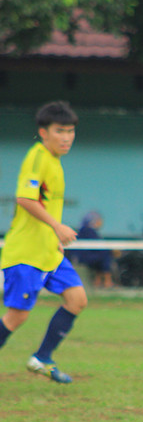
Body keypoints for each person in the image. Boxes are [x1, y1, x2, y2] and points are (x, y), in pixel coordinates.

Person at [0, 101, 86, 384]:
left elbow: (45, 203)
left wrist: (54, 237)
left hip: (48, 250)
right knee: (16, 317)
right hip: (26, 253)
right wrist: (57, 226)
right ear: (43, 132)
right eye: (60, 131)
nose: (67, 137)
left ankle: (42, 358)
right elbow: (25, 198)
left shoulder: (55, 162)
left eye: (71, 131)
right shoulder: (37, 156)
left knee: (77, 300)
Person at [68, 211, 116, 288]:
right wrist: (112, 251)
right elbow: (98, 245)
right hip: (83, 257)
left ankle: (99, 281)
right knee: (105, 256)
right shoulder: (88, 230)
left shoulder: (87, 230)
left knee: (103, 256)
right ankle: (107, 281)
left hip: (86, 256)